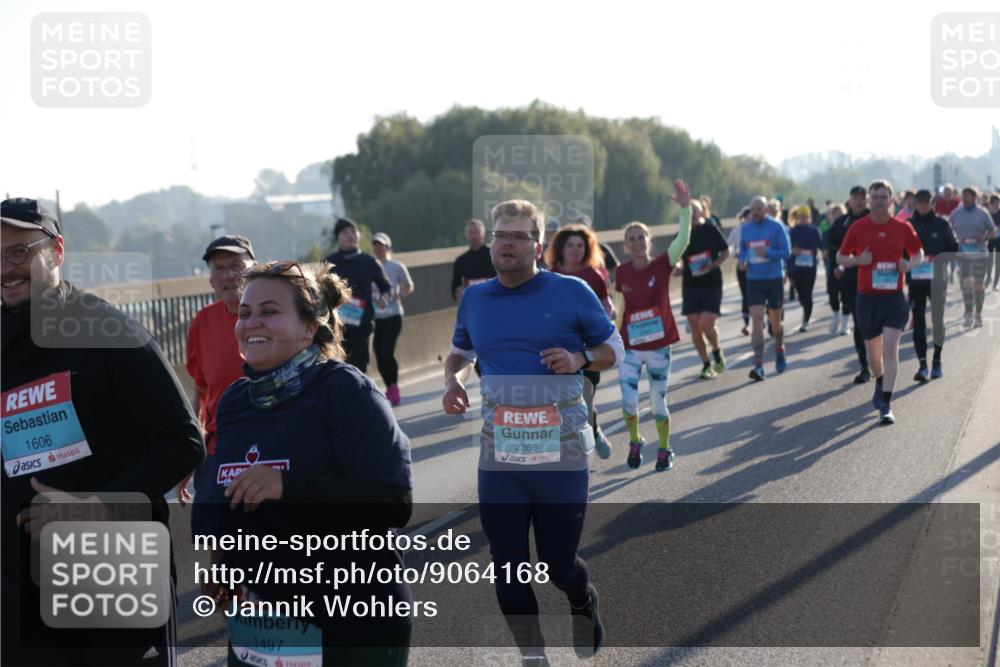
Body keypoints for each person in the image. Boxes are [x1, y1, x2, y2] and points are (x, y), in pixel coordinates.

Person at [1, 198, 205, 666]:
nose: (5, 269)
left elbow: (184, 441)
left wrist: (94, 506)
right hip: (20, 592)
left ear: (56, 250)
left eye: (18, 252)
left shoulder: (109, 332)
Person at [201, 260, 413, 666]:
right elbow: (230, 498)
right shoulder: (234, 402)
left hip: (352, 617)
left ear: (309, 328)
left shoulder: (347, 391)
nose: (251, 322)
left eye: (269, 311)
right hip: (262, 620)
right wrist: (222, 563)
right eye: (244, 313)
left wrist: (287, 485)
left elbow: (394, 501)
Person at [441, 198, 624, 664]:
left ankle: (582, 599)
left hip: (560, 458)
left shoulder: (571, 292)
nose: (507, 243)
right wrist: (454, 381)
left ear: (538, 246)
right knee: (507, 570)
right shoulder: (475, 299)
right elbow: (461, 352)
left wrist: (580, 358)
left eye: (518, 236)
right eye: (500, 234)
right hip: (500, 458)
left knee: (558, 565)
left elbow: (613, 348)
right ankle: (534, 657)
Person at [177, 235, 257, 532]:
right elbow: (200, 393)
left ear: (255, 270)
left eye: (236, 266)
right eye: (219, 268)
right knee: (216, 543)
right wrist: (189, 455)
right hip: (218, 452)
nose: (228, 276)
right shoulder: (202, 322)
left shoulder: (278, 318)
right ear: (211, 280)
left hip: (271, 447)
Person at [615, 181, 693, 471]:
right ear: (626, 246)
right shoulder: (621, 272)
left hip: (658, 347)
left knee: (658, 404)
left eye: (641, 237)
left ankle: (664, 447)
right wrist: (612, 339)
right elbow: (619, 309)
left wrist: (685, 209)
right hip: (631, 348)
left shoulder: (662, 264)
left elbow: (683, 240)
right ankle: (635, 440)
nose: (637, 242)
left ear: (648, 241)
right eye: (631, 239)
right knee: (628, 402)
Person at [836, 180, 924, 425]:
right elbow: (840, 256)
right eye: (874, 197)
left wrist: (909, 264)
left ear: (891, 200)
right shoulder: (858, 227)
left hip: (894, 298)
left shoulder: (902, 227)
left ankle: (886, 403)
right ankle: (879, 379)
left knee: (890, 348)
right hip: (867, 298)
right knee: (874, 356)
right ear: (869, 200)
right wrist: (858, 260)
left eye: (883, 197)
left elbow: (919, 253)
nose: (878, 201)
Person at [545, 224, 616, 459]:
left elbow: (607, 307)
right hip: (558, 351)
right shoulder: (549, 276)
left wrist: (603, 323)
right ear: (561, 249)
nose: (575, 250)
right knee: (561, 407)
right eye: (570, 245)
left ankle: (592, 432)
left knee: (583, 401)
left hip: (587, 352)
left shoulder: (593, 276)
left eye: (580, 246)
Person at [325, 217, 391, 373]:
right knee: (342, 369)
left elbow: (386, 287)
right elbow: (319, 291)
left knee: (360, 368)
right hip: (338, 327)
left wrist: (384, 298)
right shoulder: (330, 263)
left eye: (353, 231)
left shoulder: (369, 262)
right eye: (345, 232)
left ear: (358, 235)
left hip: (363, 324)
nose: (350, 235)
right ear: (338, 238)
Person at [907, 189, 959, 381]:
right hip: (916, 281)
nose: (923, 205)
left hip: (937, 280)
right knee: (918, 322)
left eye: (926, 201)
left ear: (932, 203)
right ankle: (922, 366)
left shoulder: (942, 224)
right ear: (915, 204)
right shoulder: (908, 225)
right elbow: (899, 251)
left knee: (937, 320)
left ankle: (937, 361)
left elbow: (954, 247)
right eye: (920, 201)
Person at [740, 196, 791, 381]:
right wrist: (742, 262)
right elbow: (743, 251)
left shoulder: (776, 227)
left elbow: (786, 252)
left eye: (759, 209)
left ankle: (779, 348)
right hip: (754, 280)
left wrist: (768, 252)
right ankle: (759, 364)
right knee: (757, 319)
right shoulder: (745, 229)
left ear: (766, 210)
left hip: (773, 279)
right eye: (753, 209)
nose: (756, 212)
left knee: (775, 323)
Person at [678, 200, 729, 379]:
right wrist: (678, 268)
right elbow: (677, 258)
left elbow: (726, 251)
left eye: (695, 211)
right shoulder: (682, 234)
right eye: (688, 211)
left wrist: (714, 264)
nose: (692, 214)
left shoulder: (710, 229)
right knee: (694, 325)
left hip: (712, 283)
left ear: (701, 213)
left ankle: (716, 351)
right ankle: (706, 364)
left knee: (706, 324)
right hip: (691, 285)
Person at [827, 186, 872, 382]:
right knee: (859, 321)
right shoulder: (842, 223)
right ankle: (864, 367)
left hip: (877, 277)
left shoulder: (875, 218)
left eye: (862, 197)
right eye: (855, 197)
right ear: (850, 200)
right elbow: (833, 248)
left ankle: (877, 358)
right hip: (852, 277)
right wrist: (837, 265)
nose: (859, 201)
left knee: (876, 321)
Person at [371, 232, 414, 406]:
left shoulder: (396, 266)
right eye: (375, 245)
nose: (378, 248)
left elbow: (409, 285)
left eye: (380, 245)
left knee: (387, 352)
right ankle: (389, 386)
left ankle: (394, 386)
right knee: (379, 355)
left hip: (393, 315)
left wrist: (400, 293)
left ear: (387, 247)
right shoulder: (369, 267)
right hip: (375, 318)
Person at [949, 187, 998, 328]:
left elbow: (993, 232)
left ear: (974, 197)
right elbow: (948, 229)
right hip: (963, 253)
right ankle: (969, 314)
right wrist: (956, 239)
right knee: (966, 284)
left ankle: (978, 315)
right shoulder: (956, 213)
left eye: (968, 196)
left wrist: (984, 237)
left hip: (980, 253)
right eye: (963, 195)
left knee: (978, 285)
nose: (964, 198)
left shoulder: (983, 213)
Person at [788, 205, 822, 332]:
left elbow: (821, 245)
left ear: (809, 217)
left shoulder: (814, 230)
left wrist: (825, 251)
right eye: (801, 216)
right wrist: (793, 251)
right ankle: (805, 309)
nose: (803, 218)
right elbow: (787, 247)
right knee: (801, 295)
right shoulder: (793, 231)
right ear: (797, 217)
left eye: (805, 216)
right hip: (796, 268)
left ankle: (806, 321)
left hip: (810, 267)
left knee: (808, 294)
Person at [451, 218, 497, 302]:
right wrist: (457, 294)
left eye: (476, 232)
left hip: (493, 300)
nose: (473, 236)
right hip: (472, 302)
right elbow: (455, 285)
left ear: (483, 234)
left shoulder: (495, 255)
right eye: (470, 233)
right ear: (466, 235)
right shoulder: (461, 260)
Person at [728, 206, 752, 335]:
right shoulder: (737, 230)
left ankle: (760, 318)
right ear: (745, 217)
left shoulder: (759, 229)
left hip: (757, 266)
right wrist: (735, 254)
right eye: (750, 215)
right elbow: (729, 246)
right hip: (742, 266)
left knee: (757, 293)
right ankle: (746, 324)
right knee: (745, 295)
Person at [823, 204, 846, 333]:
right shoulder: (827, 232)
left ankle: (845, 324)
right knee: (832, 294)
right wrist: (825, 251)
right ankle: (836, 315)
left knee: (846, 294)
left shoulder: (849, 230)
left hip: (847, 265)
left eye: (839, 213)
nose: (837, 216)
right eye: (834, 214)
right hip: (831, 266)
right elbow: (824, 249)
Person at [988, 194, 1000, 291]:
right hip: (989, 240)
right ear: (991, 204)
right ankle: (988, 277)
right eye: (995, 204)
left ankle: (995, 284)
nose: (997, 205)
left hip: (999, 240)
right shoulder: (987, 214)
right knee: (989, 261)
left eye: (998, 203)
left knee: (998, 262)